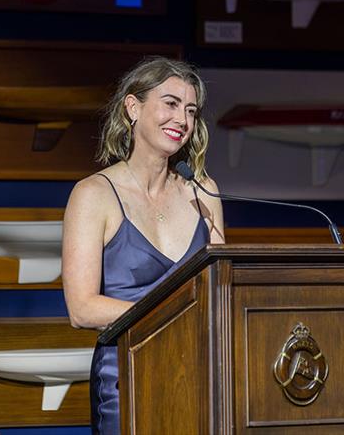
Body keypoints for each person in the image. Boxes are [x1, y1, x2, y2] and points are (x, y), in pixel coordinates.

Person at [62, 56, 225, 435]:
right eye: (169, 104)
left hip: (200, 374)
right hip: (127, 375)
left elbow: (220, 295)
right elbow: (82, 309)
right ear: (132, 108)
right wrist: (176, 317)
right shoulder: (93, 194)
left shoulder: (203, 191)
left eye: (190, 110)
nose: (182, 121)